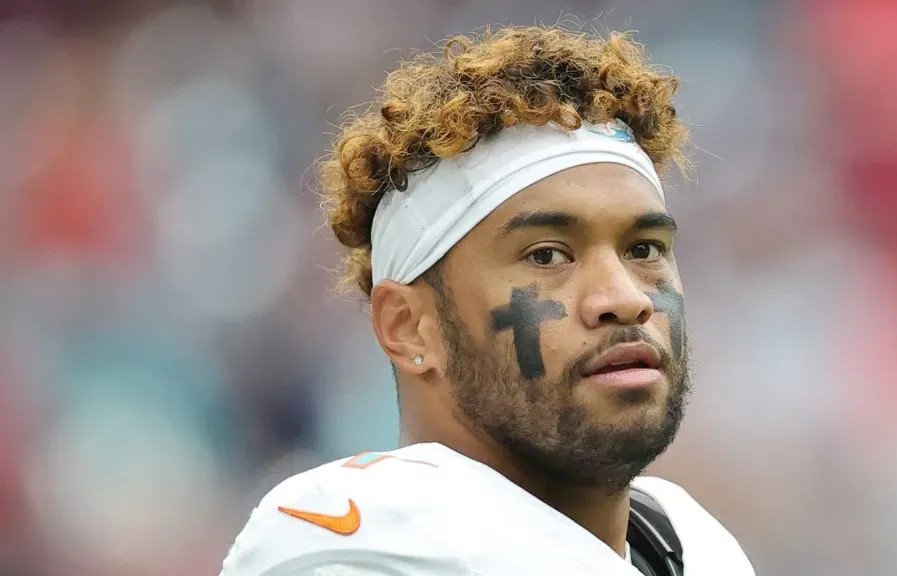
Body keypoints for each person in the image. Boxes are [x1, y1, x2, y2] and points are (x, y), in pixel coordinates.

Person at [219, 25, 755, 576]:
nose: (623, 298)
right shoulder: (356, 545)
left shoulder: (691, 544)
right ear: (409, 327)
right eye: (548, 256)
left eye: (644, 248)